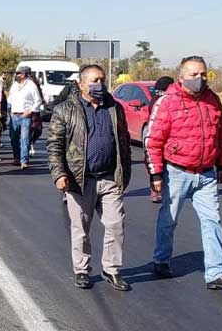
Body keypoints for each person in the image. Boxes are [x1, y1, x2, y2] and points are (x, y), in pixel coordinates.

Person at [146, 56, 222, 290]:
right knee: (169, 220)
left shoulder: (213, 100)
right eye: (193, 75)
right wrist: (155, 174)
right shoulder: (168, 102)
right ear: (181, 77)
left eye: (203, 74)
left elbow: (220, 136)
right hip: (176, 171)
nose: (199, 79)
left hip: (206, 174)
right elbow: (153, 140)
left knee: (212, 222)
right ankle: (161, 259)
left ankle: (215, 273)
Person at [47, 64, 132, 291]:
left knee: (116, 225)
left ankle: (112, 269)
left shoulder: (114, 108)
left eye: (102, 80)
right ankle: (82, 270)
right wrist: (59, 174)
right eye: (94, 80)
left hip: (110, 178)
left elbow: (123, 142)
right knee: (81, 228)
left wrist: (125, 171)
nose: (100, 85)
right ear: (81, 84)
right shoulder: (65, 110)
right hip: (80, 180)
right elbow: (54, 146)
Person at [143, 76, 175, 203]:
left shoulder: (170, 100)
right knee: (154, 162)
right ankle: (155, 190)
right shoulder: (158, 101)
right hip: (156, 134)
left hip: (166, 137)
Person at [7, 65, 43, 170]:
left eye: (18, 73)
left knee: (24, 139)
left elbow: (38, 100)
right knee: (13, 138)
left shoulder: (31, 85)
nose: (16, 75)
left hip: (25, 116)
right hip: (14, 115)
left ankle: (24, 161)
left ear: (23, 74)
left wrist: (30, 111)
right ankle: (16, 158)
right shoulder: (14, 85)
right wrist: (10, 111)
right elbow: (10, 99)